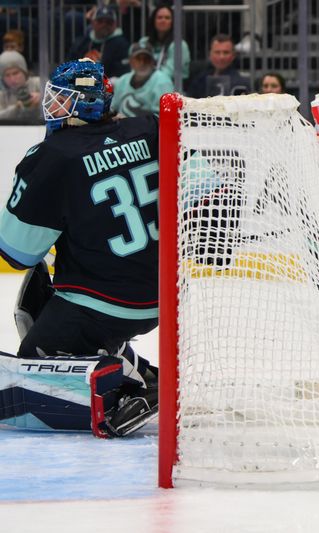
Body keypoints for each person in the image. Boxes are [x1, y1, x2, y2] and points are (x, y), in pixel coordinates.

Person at [0, 59, 159, 438]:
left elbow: (16, 254)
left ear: (77, 105)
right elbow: (207, 191)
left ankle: (122, 390)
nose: (50, 106)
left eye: (59, 99)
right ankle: (140, 368)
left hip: (100, 305)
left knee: (30, 371)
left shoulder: (53, 155)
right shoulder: (150, 126)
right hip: (163, 296)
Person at [111, 42, 174, 117]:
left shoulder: (163, 82)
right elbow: (112, 109)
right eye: (138, 59)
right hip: (121, 127)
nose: (142, 63)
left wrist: (132, 122)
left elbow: (164, 118)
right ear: (131, 62)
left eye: (146, 59)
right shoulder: (122, 81)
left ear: (152, 62)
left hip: (150, 128)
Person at [67, 5, 129, 79]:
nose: (104, 25)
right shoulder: (81, 42)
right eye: (100, 21)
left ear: (115, 25)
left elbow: (122, 72)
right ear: (93, 23)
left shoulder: (121, 45)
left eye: (109, 22)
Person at [137, 2, 191, 81]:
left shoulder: (180, 45)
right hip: (145, 83)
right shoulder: (144, 42)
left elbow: (170, 72)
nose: (163, 20)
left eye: (167, 18)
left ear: (172, 22)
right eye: (159, 17)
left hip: (172, 86)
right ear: (154, 21)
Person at [187, 33, 250, 98]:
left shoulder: (241, 83)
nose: (221, 57)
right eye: (217, 52)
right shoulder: (199, 80)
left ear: (233, 55)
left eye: (226, 52)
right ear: (210, 54)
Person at [0, 50, 41, 123]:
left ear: (24, 72)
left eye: (15, 73)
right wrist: (17, 107)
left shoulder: (40, 83)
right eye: (7, 75)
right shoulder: (2, 96)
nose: (12, 79)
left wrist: (43, 98)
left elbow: (62, 102)